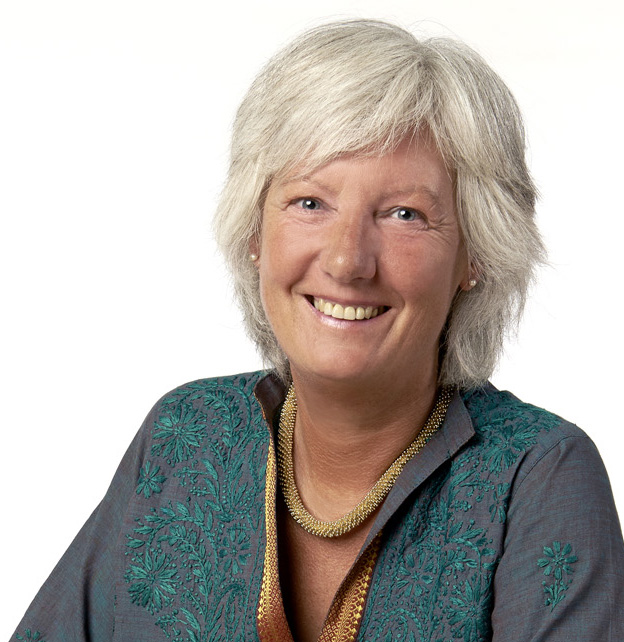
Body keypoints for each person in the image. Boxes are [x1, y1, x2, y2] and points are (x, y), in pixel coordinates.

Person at [11, 18, 624, 642]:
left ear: (475, 255)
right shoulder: (185, 437)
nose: (346, 260)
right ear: (256, 231)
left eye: (404, 214)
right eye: (310, 203)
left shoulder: (538, 478)